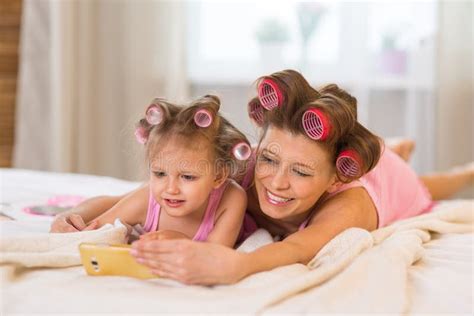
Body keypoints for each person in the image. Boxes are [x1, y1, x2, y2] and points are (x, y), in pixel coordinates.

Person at [127, 69, 473, 285]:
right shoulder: (246, 170)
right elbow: (164, 187)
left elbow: (298, 246)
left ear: (336, 179)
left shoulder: (348, 205)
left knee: (427, 185)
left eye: (300, 172)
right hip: (337, 157)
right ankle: (393, 145)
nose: (276, 183)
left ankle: (454, 167)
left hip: (386, 178)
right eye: (269, 159)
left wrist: (238, 266)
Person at [50, 95, 251, 247]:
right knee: (120, 200)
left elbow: (214, 255)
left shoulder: (231, 199)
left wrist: (180, 241)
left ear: (218, 176)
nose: (171, 189)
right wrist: (67, 219)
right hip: (135, 202)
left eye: (187, 177)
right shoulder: (148, 199)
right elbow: (94, 228)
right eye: (160, 173)